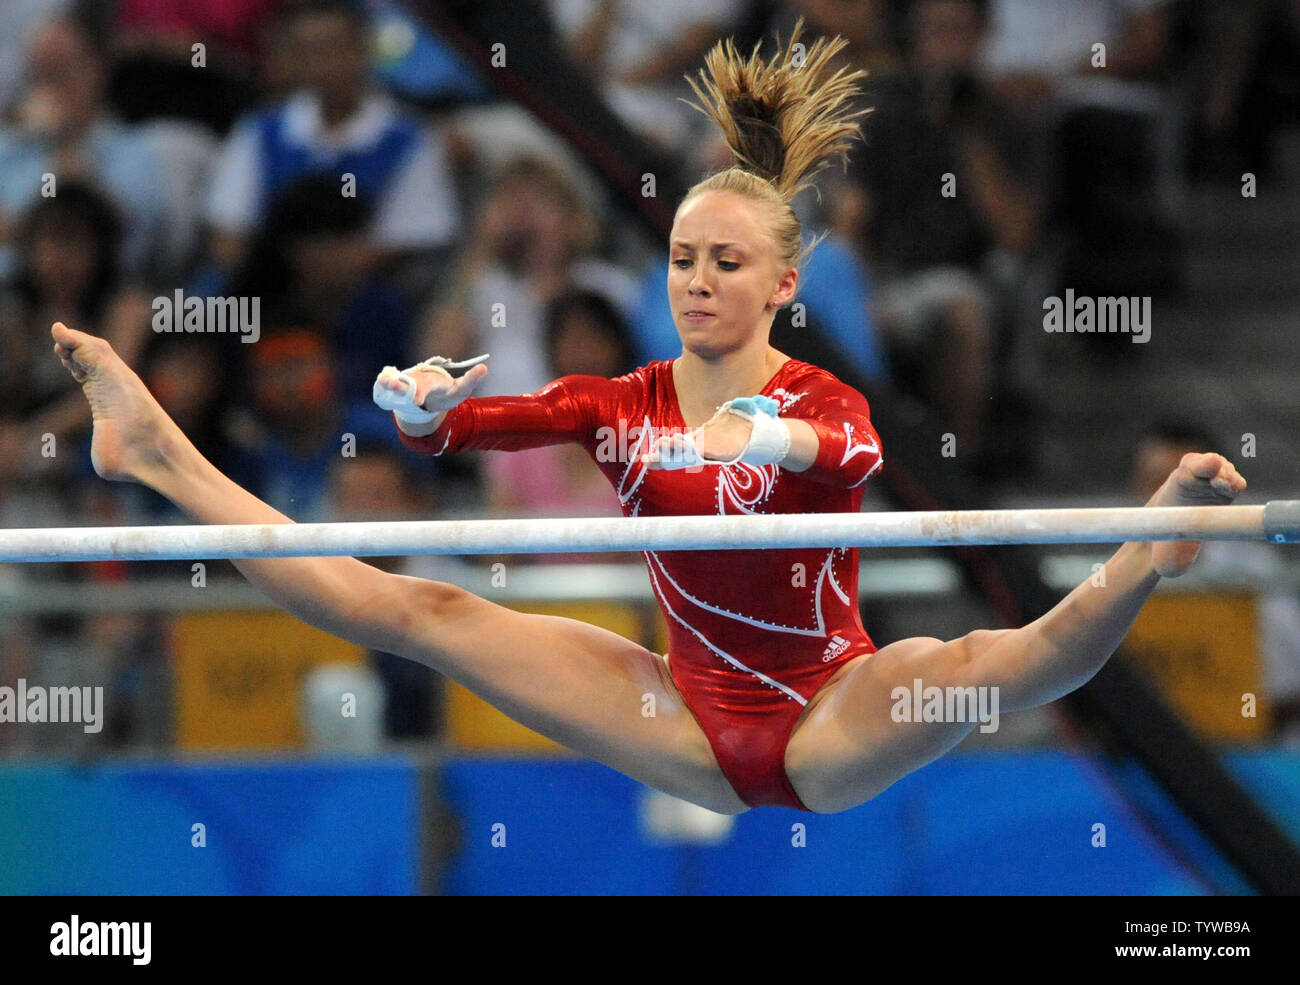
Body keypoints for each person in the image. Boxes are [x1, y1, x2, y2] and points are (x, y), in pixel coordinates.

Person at [51, 25, 1247, 815]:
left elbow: (854, 456)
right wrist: (422, 410)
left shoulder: (819, 397)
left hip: (824, 709)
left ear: (782, 284)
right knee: (420, 606)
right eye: (680, 258)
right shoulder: (622, 402)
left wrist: (767, 440)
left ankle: (1148, 547)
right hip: (675, 707)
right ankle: (158, 453)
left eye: (725, 261)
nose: (695, 280)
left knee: (987, 664)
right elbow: (482, 429)